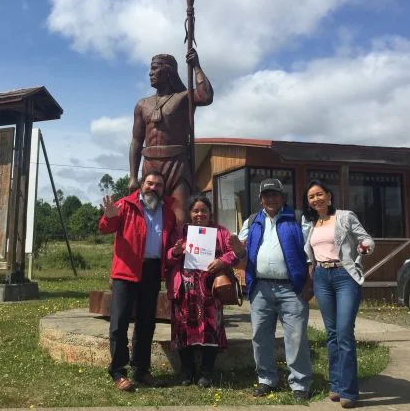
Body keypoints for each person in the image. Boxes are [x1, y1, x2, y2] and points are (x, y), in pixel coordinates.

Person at [230, 178, 313, 401]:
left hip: (292, 289)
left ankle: (300, 384)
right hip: (260, 289)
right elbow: (241, 256)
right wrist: (238, 250)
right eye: (266, 195)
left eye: (275, 194)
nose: (271, 198)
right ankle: (266, 379)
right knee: (260, 336)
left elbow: (311, 254)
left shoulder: (297, 219)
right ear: (260, 199)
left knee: (295, 337)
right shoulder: (251, 221)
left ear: (283, 197)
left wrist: (309, 284)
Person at [99, 171, 177, 392]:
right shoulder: (125, 205)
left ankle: (141, 370)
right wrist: (110, 215)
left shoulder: (168, 212)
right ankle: (118, 371)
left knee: (146, 323)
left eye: (158, 185)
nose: (153, 188)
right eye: (150, 183)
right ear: (142, 184)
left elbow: (169, 242)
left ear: (163, 189)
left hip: (152, 271)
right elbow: (105, 228)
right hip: (126, 271)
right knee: (119, 323)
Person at [301, 180, 374, 409]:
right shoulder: (310, 222)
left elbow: (367, 239)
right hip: (322, 277)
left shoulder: (345, 216)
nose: (316, 199)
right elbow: (309, 251)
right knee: (331, 334)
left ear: (329, 196)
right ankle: (336, 385)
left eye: (319, 194)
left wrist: (364, 247)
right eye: (311, 196)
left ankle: (349, 391)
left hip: (345, 276)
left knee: (344, 333)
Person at [128, 48, 214, 226]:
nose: (150, 73)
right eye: (151, 69)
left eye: (155, 68)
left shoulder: (183, 97)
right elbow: (136, 141)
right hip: (150, 164)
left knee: (180, 217)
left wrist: (196, 66)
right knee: (148, 216)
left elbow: (206, 96)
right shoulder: (142, 104)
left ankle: (178, 253)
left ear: (168, 71)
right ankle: (151, 253)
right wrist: (133, 177)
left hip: (177, 165)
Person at [166, 195, 240, 388]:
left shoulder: (220, 232)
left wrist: (222, 261)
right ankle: (187, 370)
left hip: (210, 291)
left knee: (211, 329)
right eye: (195, 211)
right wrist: (175, 252)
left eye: (203, 210)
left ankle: (206, 372)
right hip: (184, 291)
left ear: (210, 212)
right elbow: (167, 257)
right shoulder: (180, 232)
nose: (200, 214)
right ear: (190, 213)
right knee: (183, 330)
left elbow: (234, 253)